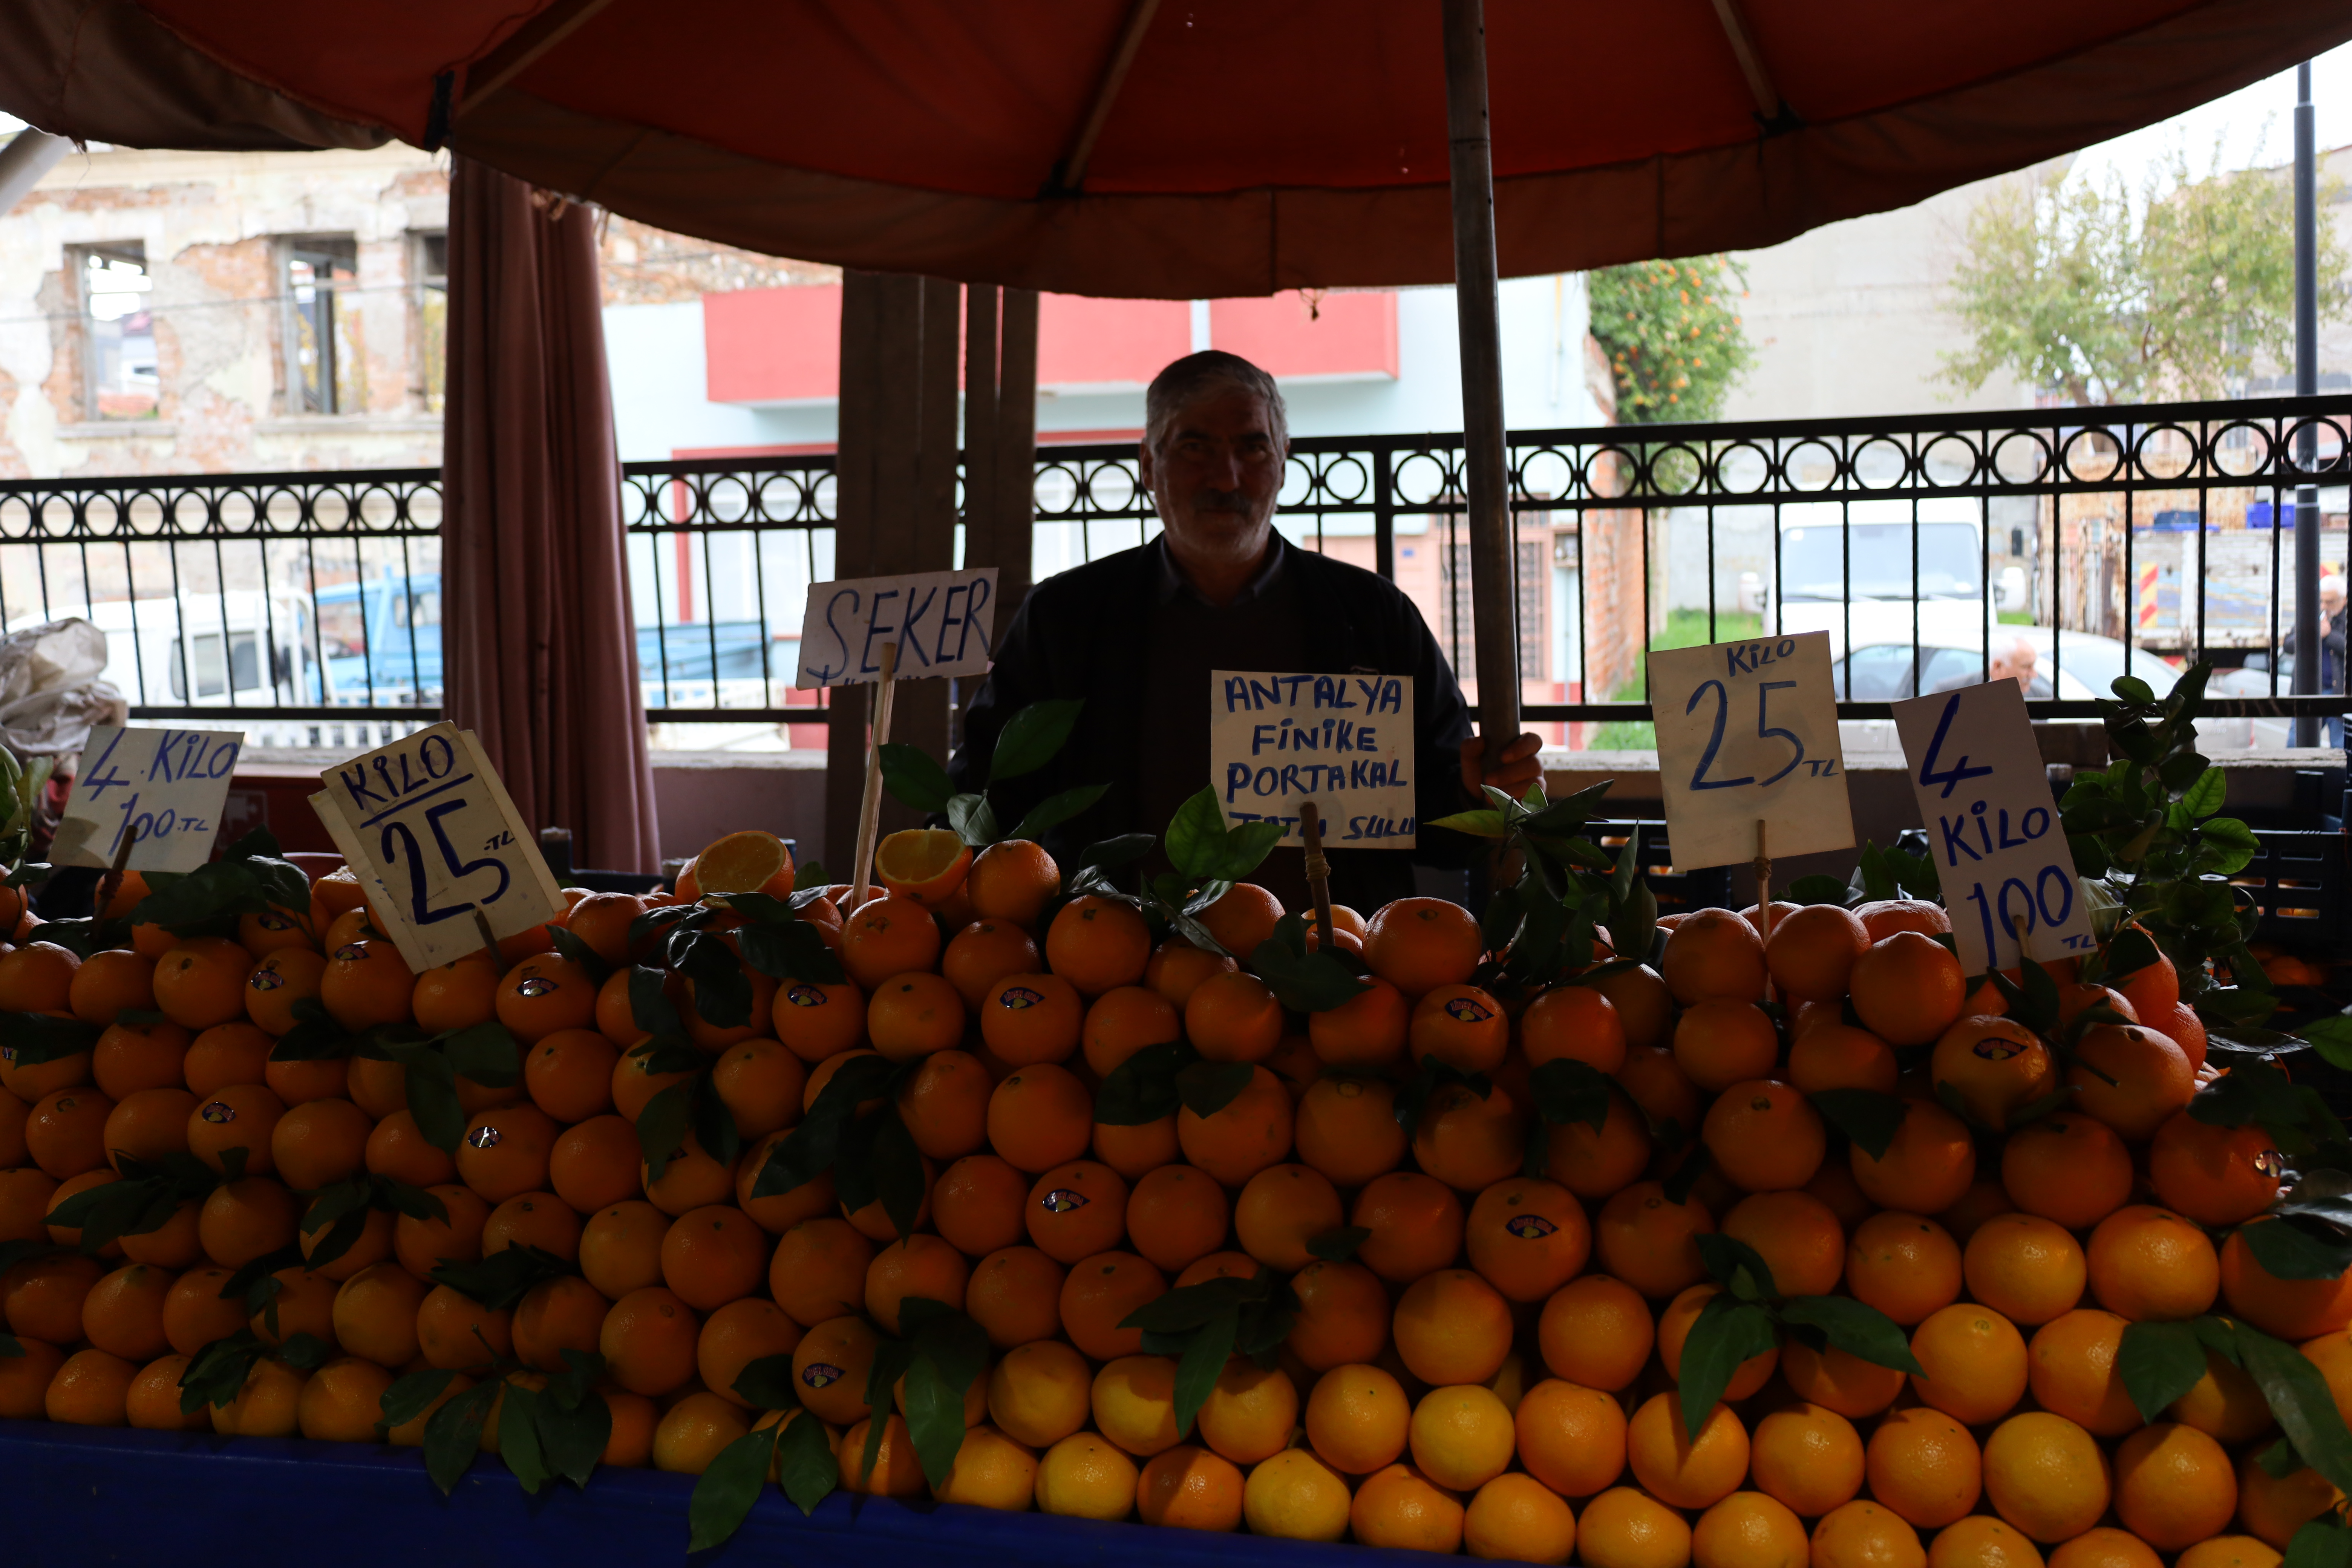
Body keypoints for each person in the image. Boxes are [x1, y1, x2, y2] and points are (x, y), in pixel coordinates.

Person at [948, 350, 1544, 912]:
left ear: (1284, 461)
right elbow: (987, 800)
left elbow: (1442, 829)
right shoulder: (1066, 618)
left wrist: (1480, 797)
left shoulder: (1374, 616)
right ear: (1149, 465)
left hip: (1335, 981)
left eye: (1253, 448)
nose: (1227, 479)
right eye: (1194, 447)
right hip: (1113, 980)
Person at [1929, 633, 2049, 699]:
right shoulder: (1948, 693)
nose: (2034, 675)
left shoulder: (2042, 697)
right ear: (1998, 667)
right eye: (2027, 667)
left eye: (2033, 667)